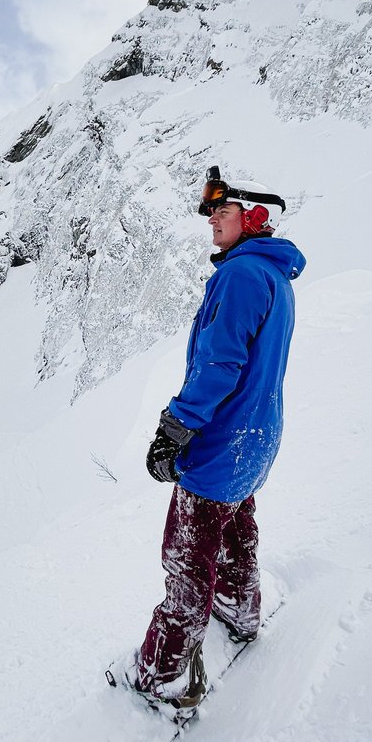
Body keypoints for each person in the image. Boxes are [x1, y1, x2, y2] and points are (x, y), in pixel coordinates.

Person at [134, 166, 306, 711]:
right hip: (256, 438)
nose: (212, 219)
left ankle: (162, 677)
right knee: (235, 529)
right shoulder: (273, 276)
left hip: (222, 440)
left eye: (223, 209)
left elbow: (220, 363)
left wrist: (175, 426)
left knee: (188, 557)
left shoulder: (239, 276)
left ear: (253, 216)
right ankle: (240, 608)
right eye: (211, 211)